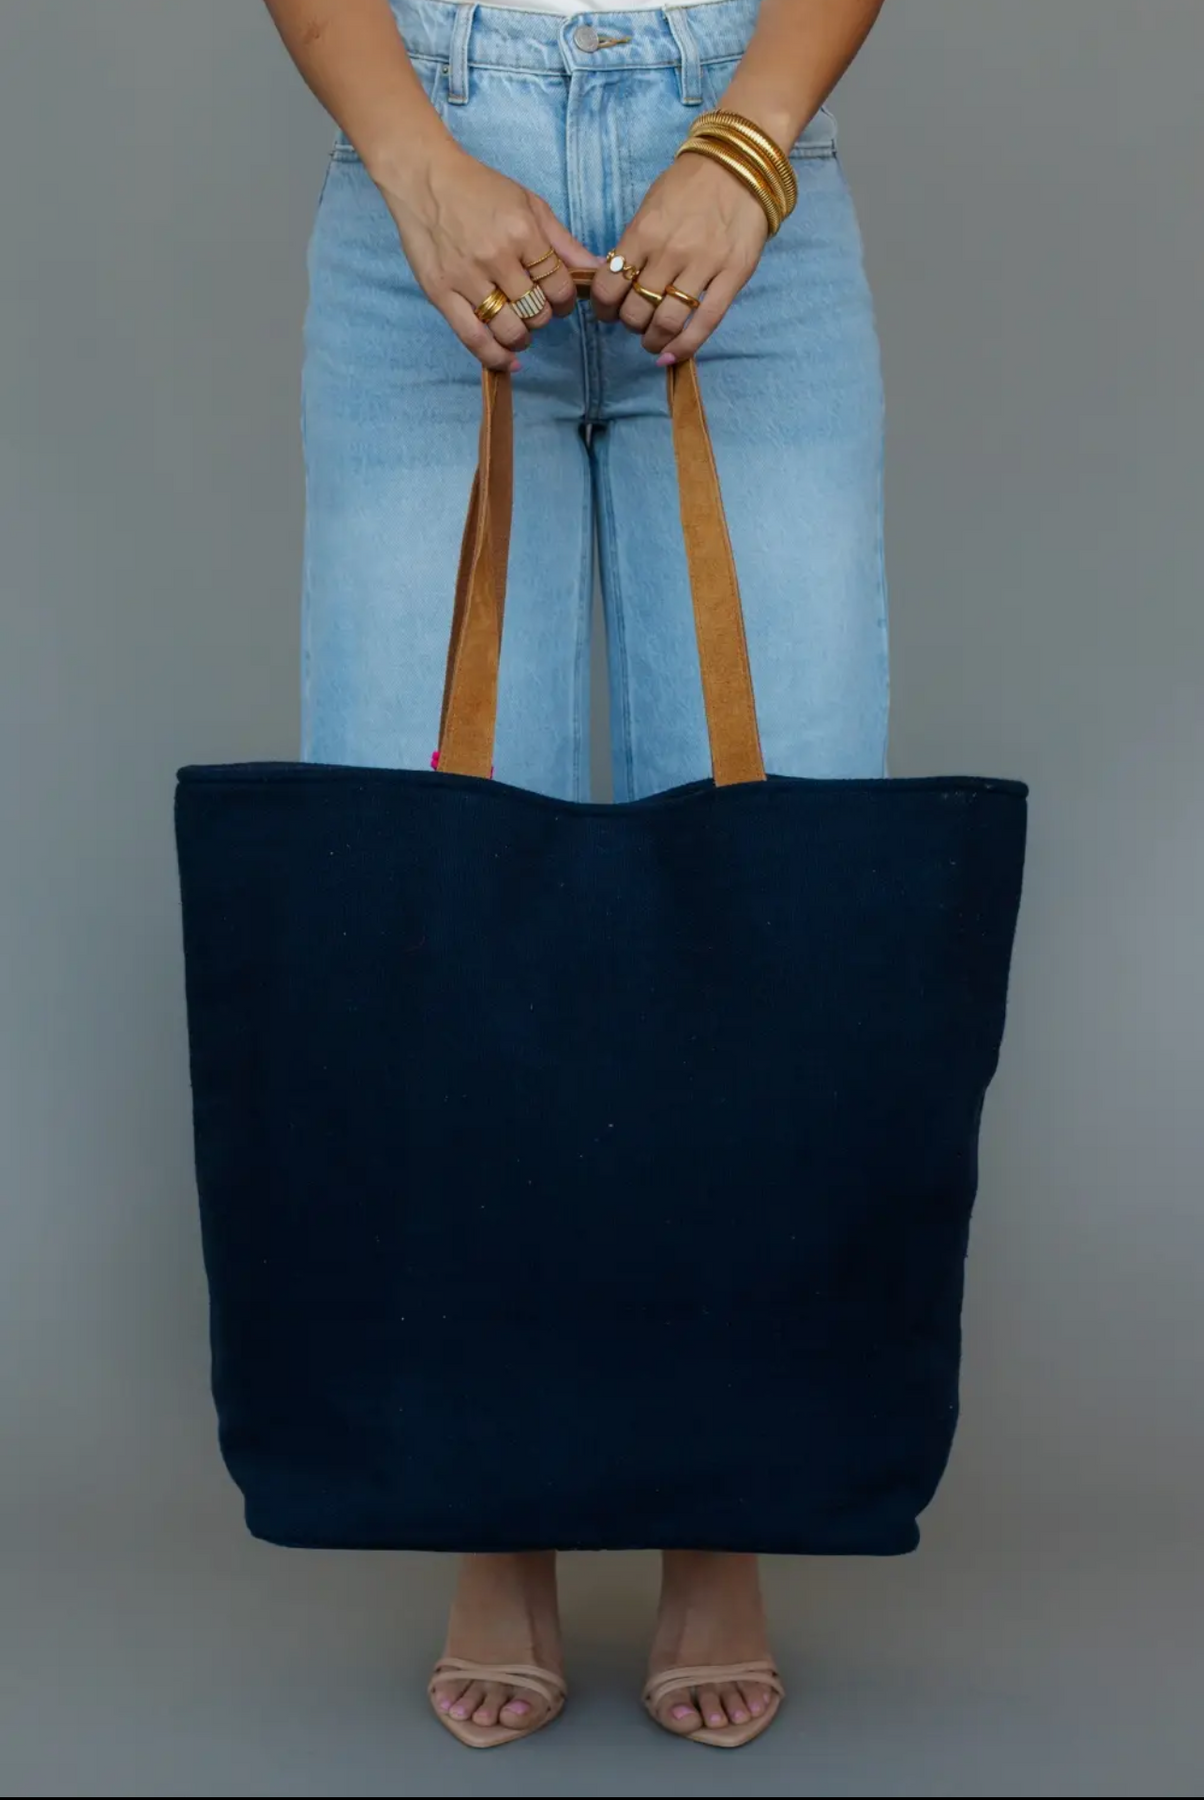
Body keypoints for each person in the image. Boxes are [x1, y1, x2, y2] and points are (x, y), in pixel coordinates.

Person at [263, 0, 887, 1752]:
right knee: (433, 919)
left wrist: (745, 146)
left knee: (779, 908)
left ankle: (723, 1501)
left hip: (741, 175)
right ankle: (495, 1503)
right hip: (430, 183)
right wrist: (418, 165)